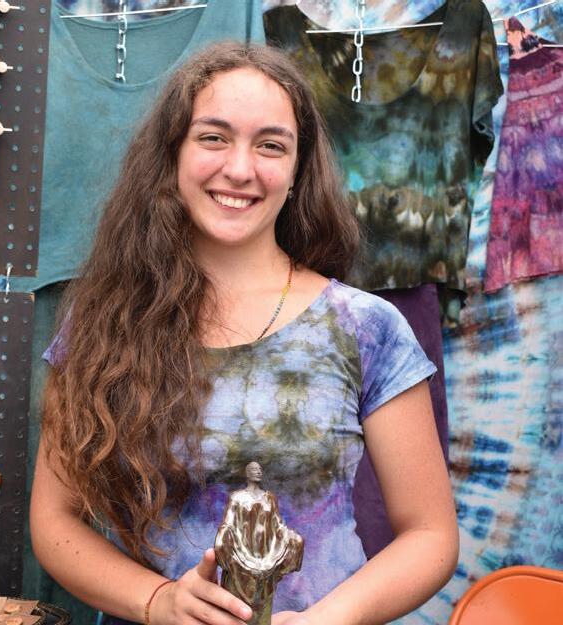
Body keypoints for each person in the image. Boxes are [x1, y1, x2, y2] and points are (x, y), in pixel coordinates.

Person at [30, 42, 459, 625]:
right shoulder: (101, 322)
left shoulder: (365, 326)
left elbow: (430, 535)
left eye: (270, 145)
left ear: (298, 171)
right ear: (172, 154)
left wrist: (325, 620)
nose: (240, 168)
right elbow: (55, 522)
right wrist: (157, 600)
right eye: (213, 137)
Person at [215, 462, 304, 624]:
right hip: (242, 552)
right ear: (247, 473)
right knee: (237, 607)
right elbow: (228, 524)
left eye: (260, 469)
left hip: (265, 555)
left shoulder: (269, 498)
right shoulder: (237, 498)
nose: (258, 472)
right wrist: (222, 538)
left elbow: (278, 524)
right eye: (254, 469)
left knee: (262, 606)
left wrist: (294, 539)